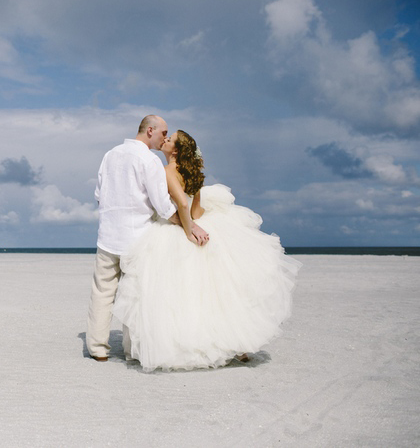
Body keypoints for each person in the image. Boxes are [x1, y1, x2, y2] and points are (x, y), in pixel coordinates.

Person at [113, 130, 302, 371]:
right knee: (218, 292)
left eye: (170, 140)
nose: (165, 140)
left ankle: (187, 345)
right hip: (198, 223)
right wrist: (195, 222)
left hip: (179, 229)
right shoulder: (193, 174)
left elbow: (182, 204)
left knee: (179, 293)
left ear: (177, 151)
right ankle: (235, 344)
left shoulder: (168, 171)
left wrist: (189, 229)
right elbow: (197, 211)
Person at [87, 116, 208, 362]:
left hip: (107, 236)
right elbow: (163, 207)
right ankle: (132, 351)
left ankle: (97, 349)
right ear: (149, 130)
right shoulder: (149, 160)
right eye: (163, 132)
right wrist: (189, 225)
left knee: (102, 292)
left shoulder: (110, 154)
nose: (165, 137)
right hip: (137, 240)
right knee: (135, 295)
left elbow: (99, 195)